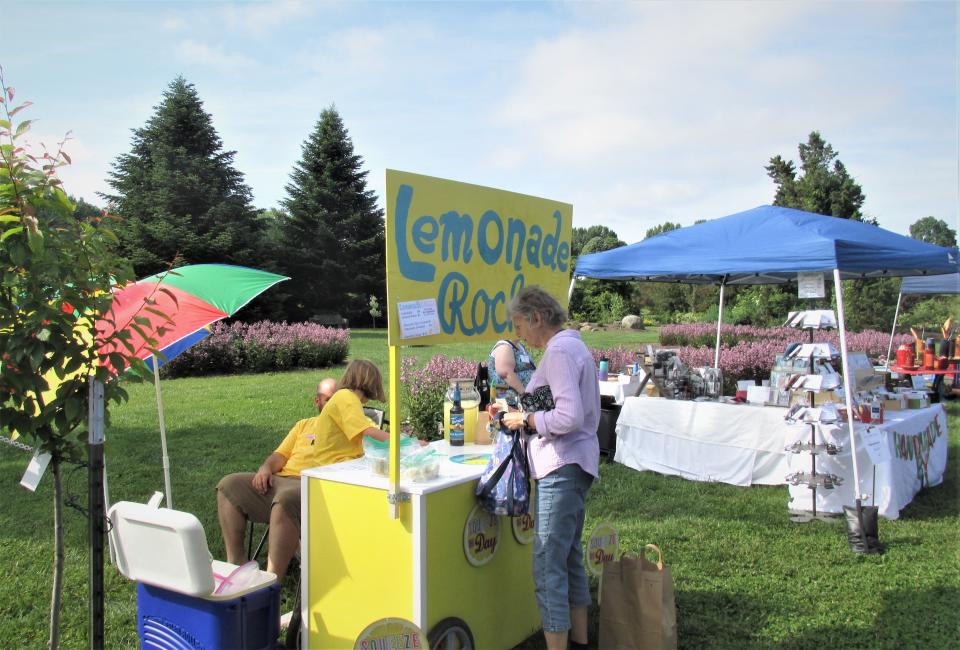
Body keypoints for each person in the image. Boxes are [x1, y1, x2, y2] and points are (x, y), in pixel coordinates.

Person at [216, 361, 391, 579]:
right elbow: (279, 456)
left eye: (333, 398)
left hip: (310, 484)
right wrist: (265, 468)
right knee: (228, 485)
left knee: (286, 499)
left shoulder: (354, 415)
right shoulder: (304, 425)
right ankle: (236, 567)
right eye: (327, 399)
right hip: (281, 479)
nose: (332, 403)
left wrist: (400, 439)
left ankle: (271, 582)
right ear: (317, 401)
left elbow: (371, 435)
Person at [500, 286, 600, 650]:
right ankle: (581, 640)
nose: (518, 335)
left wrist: (525, 419)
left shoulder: (558, 351)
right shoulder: (574, 346)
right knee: (569, 556)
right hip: (577, 464)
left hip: (561, 465)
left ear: (537, 318)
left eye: (520, 326)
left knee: (547, 565)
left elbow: (568, 416)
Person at [487, 337, 536, 404]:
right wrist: (525, 394)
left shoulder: (519, 346)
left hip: (525, 398)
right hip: (510, 402)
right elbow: (506, 374)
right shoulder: (504, 347)